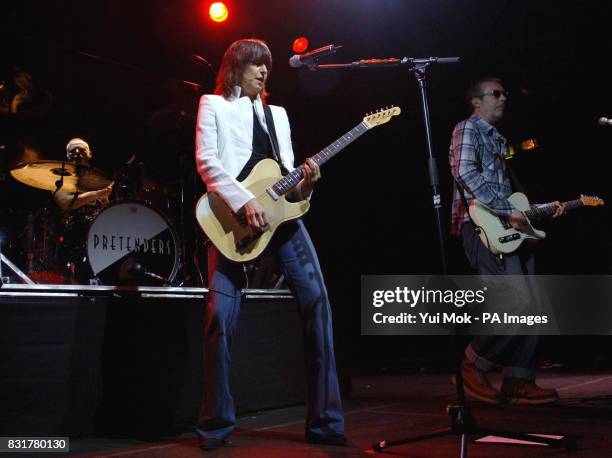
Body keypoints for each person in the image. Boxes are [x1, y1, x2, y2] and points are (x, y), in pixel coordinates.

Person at [194, 38, 345, 450]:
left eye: (267, 66)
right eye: (255, 64)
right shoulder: (214, 105)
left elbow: (288, 175)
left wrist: (306, 186)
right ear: (234, 68)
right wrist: (243, 202)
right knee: (219, 317)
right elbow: (208, 163)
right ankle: (215, 424)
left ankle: (326, 423)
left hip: (281, 218)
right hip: (229, 219)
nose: (263, 71)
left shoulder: (278, 114)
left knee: (318, 304)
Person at [449, 76, 564, 405]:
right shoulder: (468, 128)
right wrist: (504, 211)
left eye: (505, 94)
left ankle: (519, 379)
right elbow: (465, 173)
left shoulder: (499, 140)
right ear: (476, 101)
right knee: (515, 303)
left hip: (509, 230)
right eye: (496, 93)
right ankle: (473, 363)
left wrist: (538, 213)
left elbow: (512, 198)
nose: (503, 98)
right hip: (482, 228)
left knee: (534, 305)